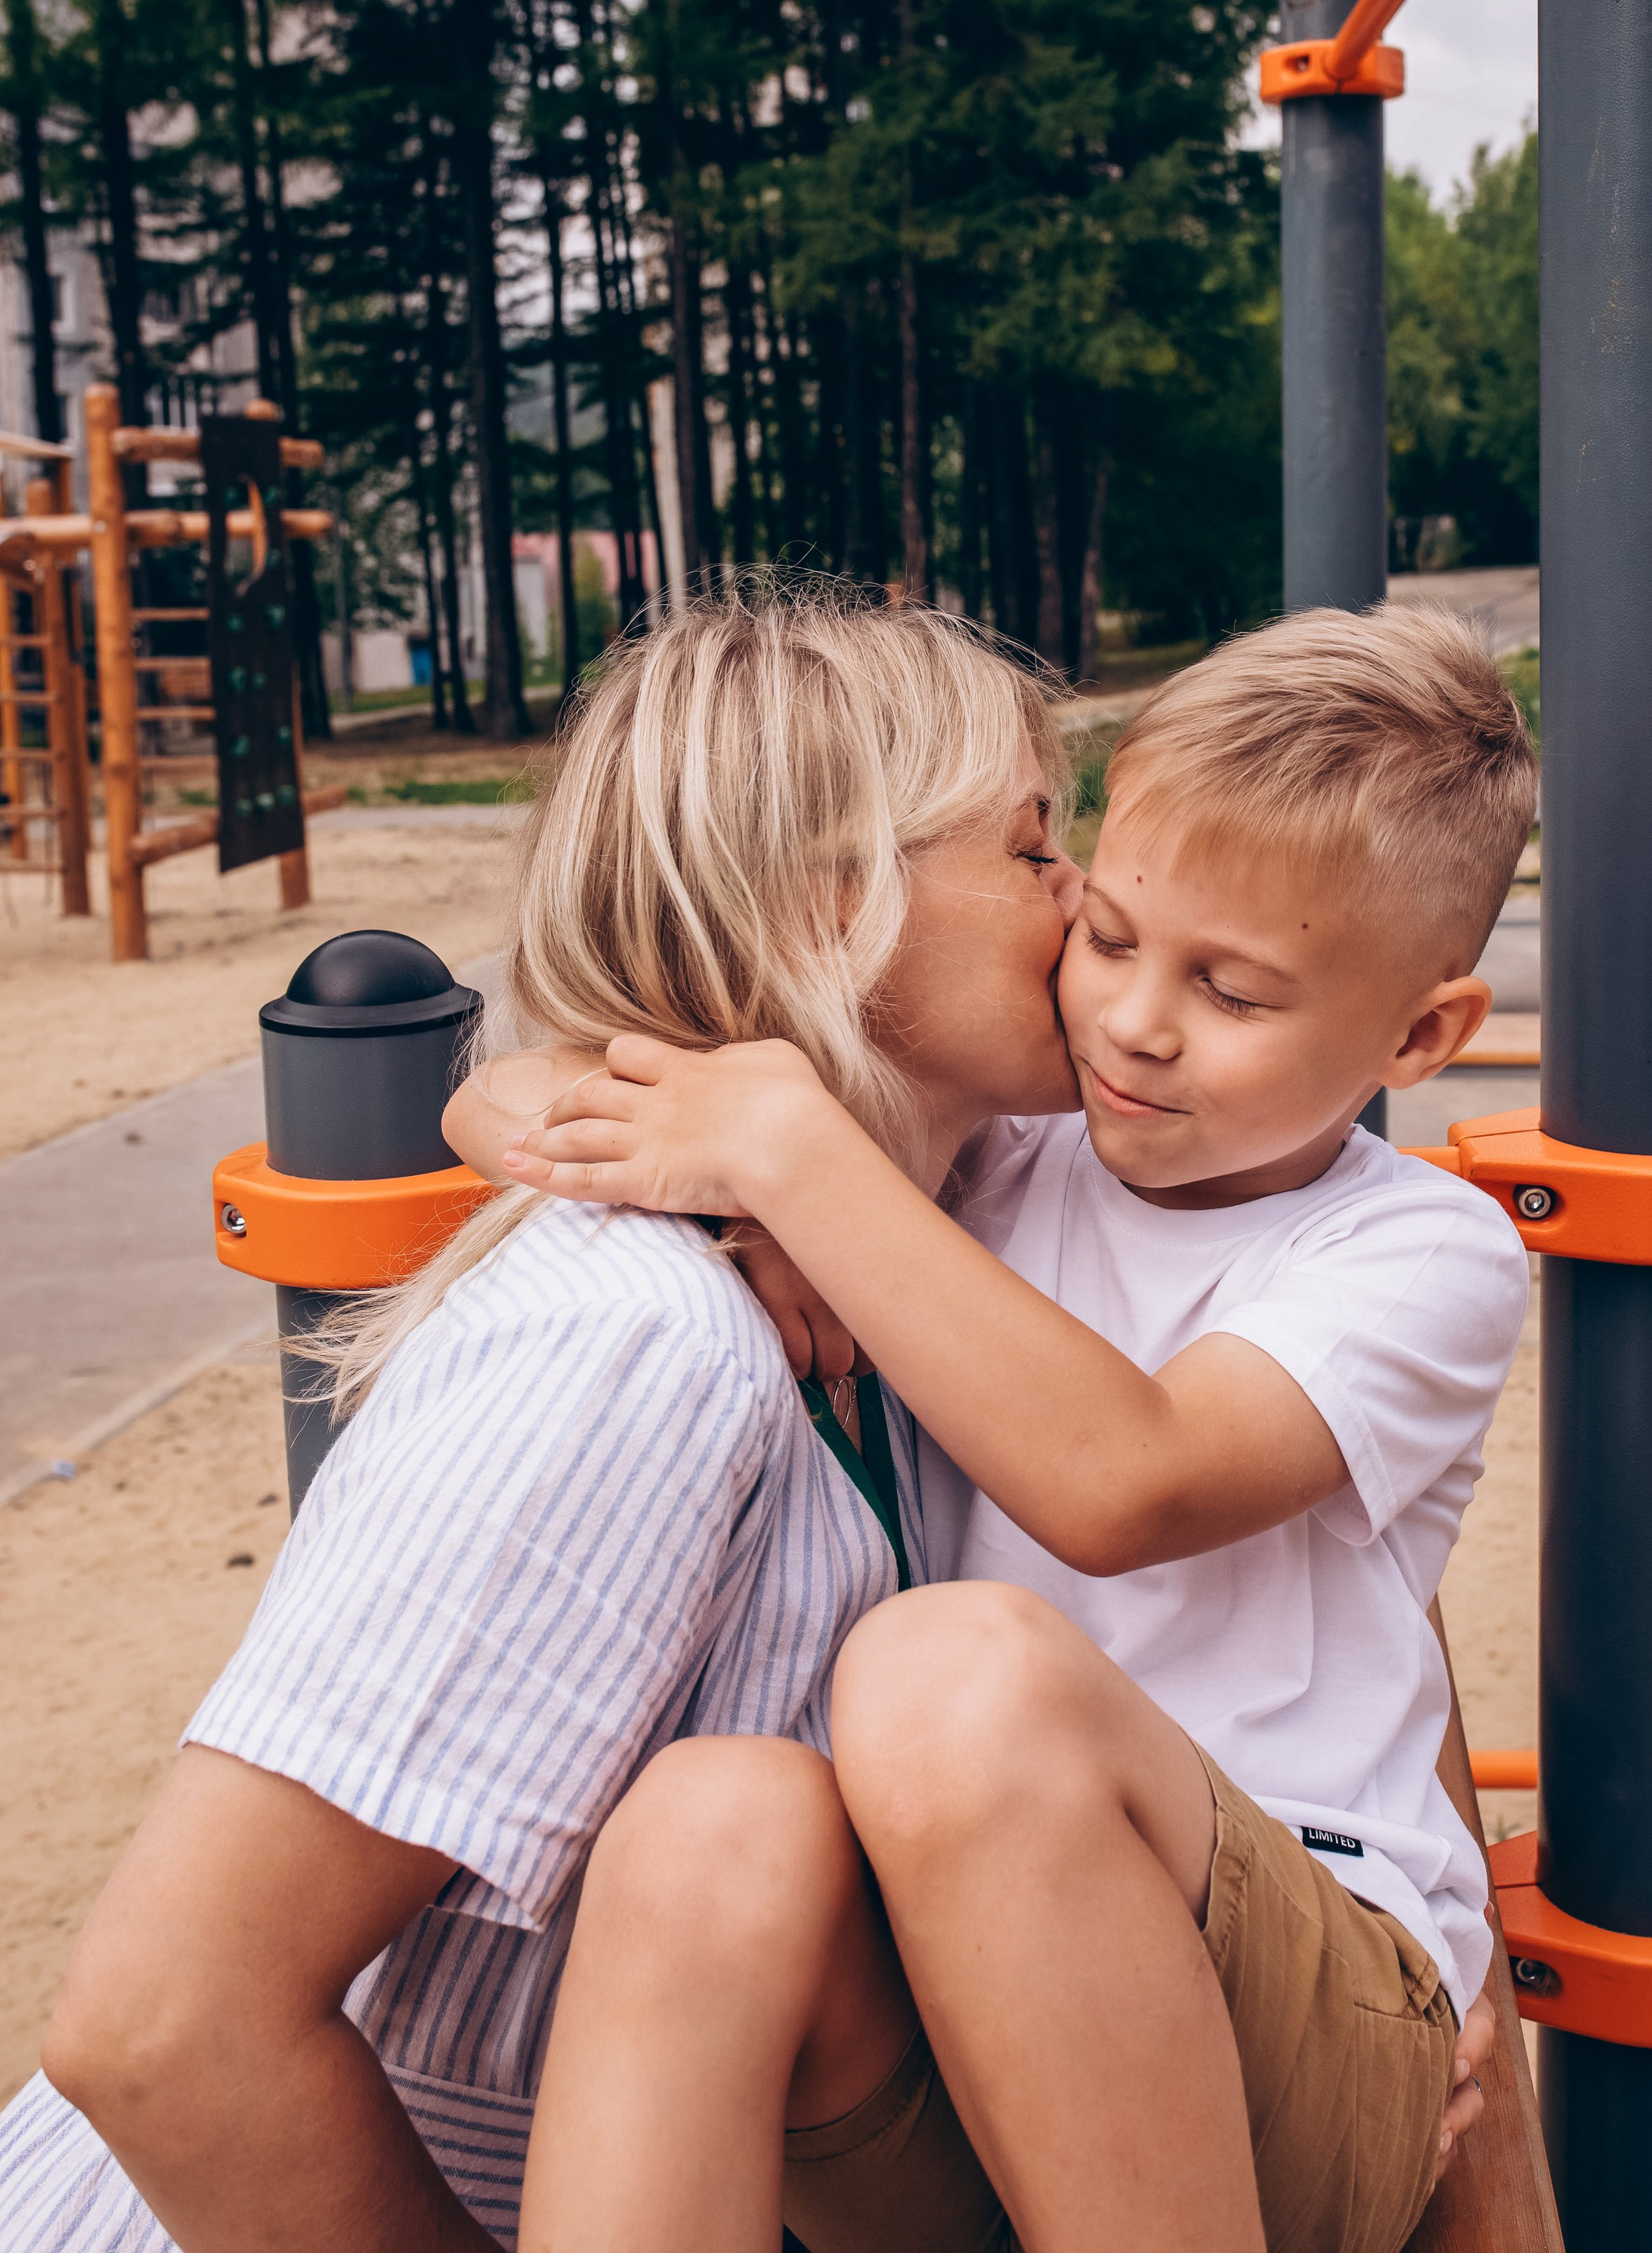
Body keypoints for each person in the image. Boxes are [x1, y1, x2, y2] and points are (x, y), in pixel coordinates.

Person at [0, 590, 1087, 2253]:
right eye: (1033, 844)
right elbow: (166, 2027)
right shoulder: (630, 1343)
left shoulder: (916, 1254)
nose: (1088, 895)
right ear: (830, 900)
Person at [482, 605, 1538, 2253]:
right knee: (709, 1822)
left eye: (1233, 992)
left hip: (1313, 1998)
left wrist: (796, 1168)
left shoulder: (1415, 1252)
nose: (1132, 1021)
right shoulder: (995, 1154)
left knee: (938, 1670)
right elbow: (534, 1081)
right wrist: (637, 1128)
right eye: (1109, 934)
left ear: (1416, 1037)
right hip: (957, 2005)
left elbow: (1125, 1477)